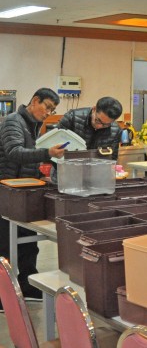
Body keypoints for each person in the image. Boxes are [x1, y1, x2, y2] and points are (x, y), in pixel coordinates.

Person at [0, 88, 66, 304]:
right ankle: (3, 295)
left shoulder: (32, 125)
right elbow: (14, 152)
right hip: (7, 192)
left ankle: (28, 286)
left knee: (28, 243)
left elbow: (28, 156)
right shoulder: (13, 121)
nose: (48, 113)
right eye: (47, 107)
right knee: (4, 245)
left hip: (24, 192)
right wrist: (47, 152)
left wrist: (41, 172)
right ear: (34, 101)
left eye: (52, 110)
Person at [56, 96, 124, 161]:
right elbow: (53, 146)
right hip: (67, 167)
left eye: (105, 125)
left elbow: (112, 158)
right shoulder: (72, 118)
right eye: (98, 120)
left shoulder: (116, 130)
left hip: (97, 169)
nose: (99, 126)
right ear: (94, 109)